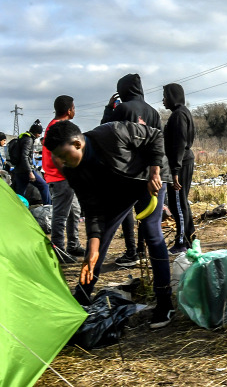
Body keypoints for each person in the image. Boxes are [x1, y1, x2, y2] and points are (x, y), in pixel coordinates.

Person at [43, 120, 175, 329]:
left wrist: (155, 171)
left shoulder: (112, 133)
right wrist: (91, 251)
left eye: (62, 155)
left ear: (77, 144)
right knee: (99, 240)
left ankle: (165, 302)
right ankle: (83, 296)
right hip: (120, 189)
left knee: (151, 231)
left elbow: (155, 136)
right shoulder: (72, 169)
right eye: (56, 157)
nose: (59, 162)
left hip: (148, 179)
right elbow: (93, 209)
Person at [101, 73, 162, 267]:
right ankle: (144, 252)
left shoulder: (122, 109)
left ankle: (130, 252)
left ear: (122, 90)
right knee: (147, 216)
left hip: (127, 171)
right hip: (149, 172)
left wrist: (109, 108)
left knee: (125, 213)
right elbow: (159, 143)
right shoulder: (154, 112)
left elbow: (106, 132)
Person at [42, 95, 84, 261]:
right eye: (74, 108)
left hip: (62, 177)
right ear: (69, 110)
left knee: (75, 211)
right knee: (61, 215)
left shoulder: (53, 126)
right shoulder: (61, 128)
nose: (74, 111)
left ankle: (73, 244)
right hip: (61, 178)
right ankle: (58, 250)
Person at [162, 83, 196, 254]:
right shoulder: (182, 113)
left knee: (177, 204)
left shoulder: (179, 115)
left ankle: (182, 242)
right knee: (180, 202)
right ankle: (190, 238)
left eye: (165, 96)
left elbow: (180, 144)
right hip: (183, 162)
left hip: (180, 164)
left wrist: (174, 171)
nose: (163, 100)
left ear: (173, 97)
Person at [12, 120, 51, 205]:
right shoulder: (29, 140)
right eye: (39, 133)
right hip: (26, 170)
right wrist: (30, 172)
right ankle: (48, 208)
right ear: (36, 132)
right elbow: (24, 156)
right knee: (44, 186)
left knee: (20, 193)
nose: (39, 135)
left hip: (19, 170)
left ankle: (17, 210)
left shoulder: (22, 137)